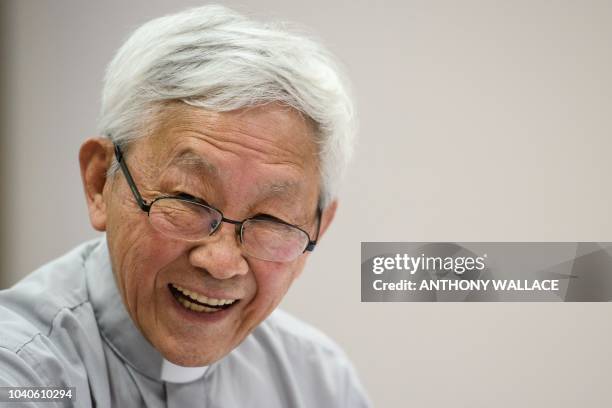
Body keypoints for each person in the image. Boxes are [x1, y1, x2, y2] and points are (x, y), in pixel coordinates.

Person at [0, 5, 370, 407]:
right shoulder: (21, 373)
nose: (222, 262)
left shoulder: (318, 381)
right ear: (99, 181)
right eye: (189, 200)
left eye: (270, 219)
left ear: (316, 230)